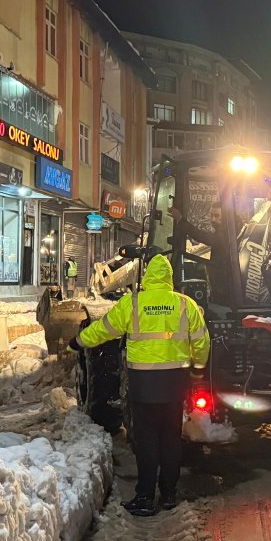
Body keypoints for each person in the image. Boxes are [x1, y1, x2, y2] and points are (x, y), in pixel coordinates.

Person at [68, 254, 210, 516]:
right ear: (169, 278)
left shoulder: (132, 303)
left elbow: (104, 329)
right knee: (170, 439)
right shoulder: (185, 305)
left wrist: (79, 341)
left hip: (143, 385)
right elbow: (202, 341)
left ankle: (145, 498)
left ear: (145, 277)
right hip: (174, 385)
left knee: (146, 442)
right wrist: (198, 371)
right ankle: (168, 494)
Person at [169, 201, 235, 306]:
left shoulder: (225, 234)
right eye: (211, 215)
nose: (213, 219)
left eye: (217, 216)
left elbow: (202, 236)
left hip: (225, 286)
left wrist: (181, 220)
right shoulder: (228, 231)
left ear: (226, 216)